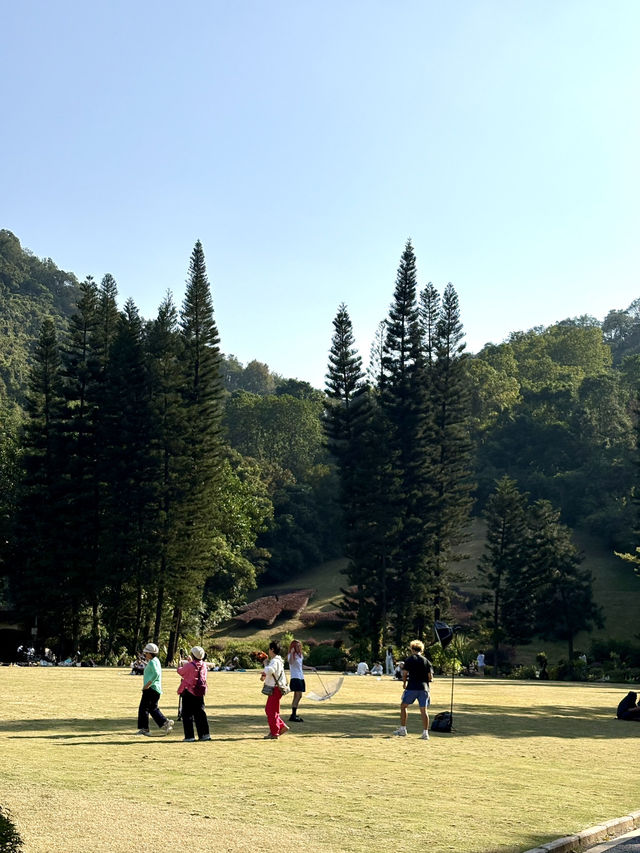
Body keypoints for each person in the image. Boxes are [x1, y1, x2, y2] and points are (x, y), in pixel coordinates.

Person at [393, 640, 433, 740]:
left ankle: (403, 729)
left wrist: (404, 683)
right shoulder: (426, 661)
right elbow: (430, 677)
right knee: (424, 710)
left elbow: (405, 673)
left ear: (412, 649)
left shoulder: (410, 659)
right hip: (424, 688)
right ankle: (425, 733)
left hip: (412, 687)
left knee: (403, 706)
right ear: (421, 650)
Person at [136, 643, 174, 736]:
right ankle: (165, 723)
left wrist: (147, 685)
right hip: (155, 689)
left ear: (150, 653)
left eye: (146, 653)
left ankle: (144, 729)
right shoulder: (156, 660)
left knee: (143, 708)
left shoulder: (152, 662)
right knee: (153, 708)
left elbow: (156, 673)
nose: (145, 654)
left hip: (151, 689)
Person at [176, 646, 211, 742]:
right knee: (200, 713)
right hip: (199, 691)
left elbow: (180, 671)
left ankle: (190, 736)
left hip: (188, 692)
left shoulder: (189, 665)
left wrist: (180, 664)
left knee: (187, 714)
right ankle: (204, 734)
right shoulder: (203, 665)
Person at [260, 640, 290, 739]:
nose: (268, 651)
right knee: (273, 710)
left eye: (269, 649)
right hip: (277, 688)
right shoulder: (278, 660)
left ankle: (275, 732)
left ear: (272, 649)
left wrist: (264, 667)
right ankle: (280, 727)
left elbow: (270, 670)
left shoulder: (275, 661)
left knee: (270, 710)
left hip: (275, 689)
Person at [287, 639, 315, 723]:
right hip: (295, 677)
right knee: (298, 696)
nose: (299, 647)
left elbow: (301, 666)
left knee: (297, 696)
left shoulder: (300, 655)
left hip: (301, 677)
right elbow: (291, 663)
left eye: (300, 645)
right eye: (297, 646)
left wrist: (311, 668)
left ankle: (293, 714)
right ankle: (293, 715)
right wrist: (292, 653)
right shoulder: (290, 655)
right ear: (293, 647)